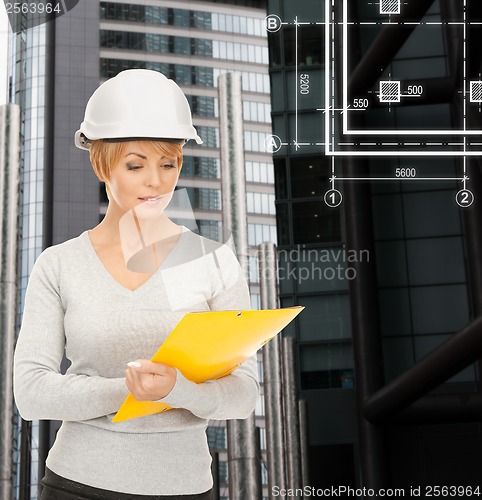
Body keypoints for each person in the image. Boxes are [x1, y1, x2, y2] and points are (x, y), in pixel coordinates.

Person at [13, 69, 259, 500]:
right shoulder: (59, 265)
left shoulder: (210, 261)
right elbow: (31, 392)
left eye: (169, 163)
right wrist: (125, 390)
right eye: (135, 165)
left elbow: (244, 395)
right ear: (102, 164)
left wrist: (175, 389)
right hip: (78, 484)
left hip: (186, 487)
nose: (156, 182)